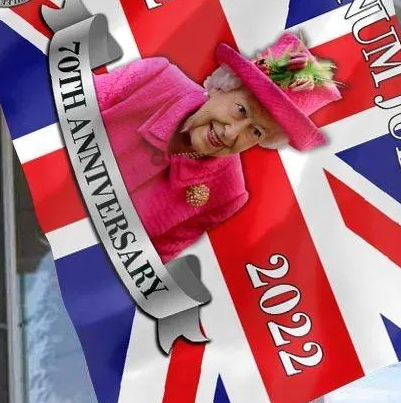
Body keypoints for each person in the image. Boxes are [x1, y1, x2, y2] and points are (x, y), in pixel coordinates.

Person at [93, 31, 341, 263]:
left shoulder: (228, 195)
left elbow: (143, 263)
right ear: (223, 86)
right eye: (241, 109)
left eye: (256, 131)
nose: (232, 133)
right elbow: (60, 107)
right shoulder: (157, 78)